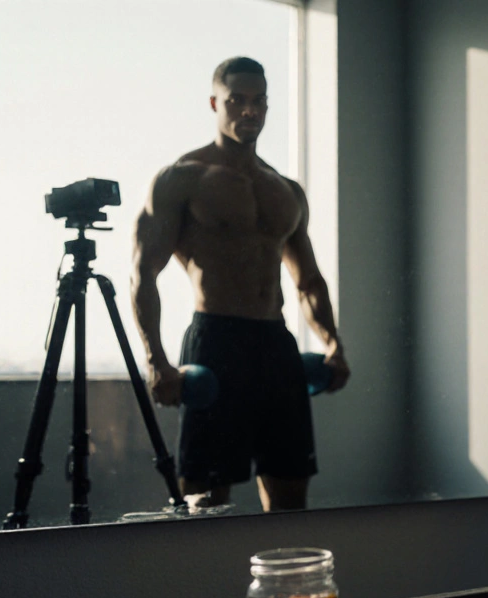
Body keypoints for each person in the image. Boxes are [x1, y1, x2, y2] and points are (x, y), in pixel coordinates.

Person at [132, 56, 349, 513]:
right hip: (217, 339)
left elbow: (308, 280)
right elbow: (143, 273)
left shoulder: (285, 190)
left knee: (291, 495)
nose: (249, 111)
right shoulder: (182, 178)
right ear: (215, 102)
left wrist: (334, 345)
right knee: (205, 500)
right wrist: (156, 360)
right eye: (237, 101)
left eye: (259, 101)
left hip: (276, 344)